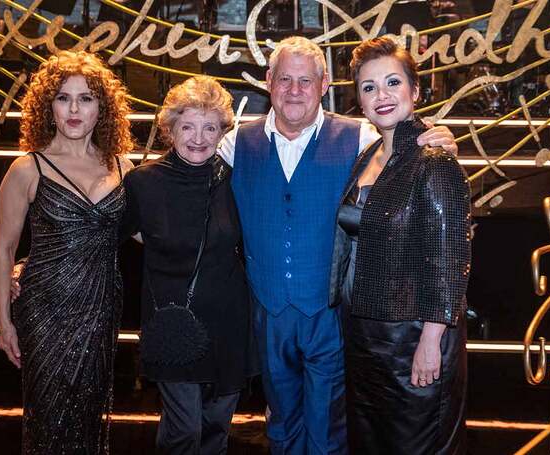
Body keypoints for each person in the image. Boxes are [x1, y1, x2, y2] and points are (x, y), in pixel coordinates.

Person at [217, 36, 458, 454]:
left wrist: (442, 140)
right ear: (268, 82)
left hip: (332, 314)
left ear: (324, 86)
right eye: (285, 79)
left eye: (306, 81)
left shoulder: (362, 139)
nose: (295, 90)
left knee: (329, 430)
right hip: (268, 312)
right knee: (280, 426)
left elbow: (408, 155)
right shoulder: (235, 143)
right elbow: (188, 177)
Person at [332, 36, 470, 454]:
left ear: (416, 90)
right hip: (365, 335)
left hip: (413, 337)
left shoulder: (434, 160)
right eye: (369, 87)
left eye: (393, 82)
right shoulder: (369, 154)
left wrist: (431, 342)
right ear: (359, 99)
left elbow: (450, 259)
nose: (382, 95)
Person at [0, 50, 134, 454]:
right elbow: (3, 250)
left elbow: (156, 234)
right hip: (42, 311)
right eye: (62, 97)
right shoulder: (27, 169)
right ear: (46, 107)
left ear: (101, 109)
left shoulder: (124, 169)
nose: (74, 109)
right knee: (49, 418)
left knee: (89, 416)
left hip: (99, 310)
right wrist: (4, 322)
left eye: (86, 98)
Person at [121, 75, 257, 454]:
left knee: (215, 430)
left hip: (228, 323)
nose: (198, 138)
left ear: (222, 132)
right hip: (172, 325)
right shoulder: (143, 183)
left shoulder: (235, 180)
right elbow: (106, 236)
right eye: (188, 126)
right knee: (184, 432)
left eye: (209, 127)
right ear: (170, 129)